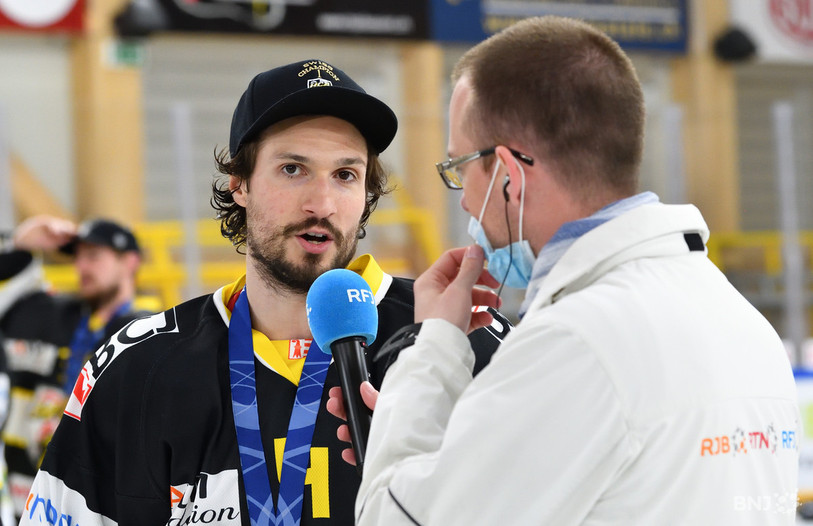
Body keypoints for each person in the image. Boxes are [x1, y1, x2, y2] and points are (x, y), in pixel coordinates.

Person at [336, 17, 801, 525]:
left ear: (509, 175)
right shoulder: (741, 321)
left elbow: (394, 517)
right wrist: (453, 443)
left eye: (459, 167)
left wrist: (431, 349)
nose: (466, 200)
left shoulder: (577, 343)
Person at [20, 59, 509, 526]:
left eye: (345, 175)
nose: (322, 204)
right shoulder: (138, 366)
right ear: (240, 184)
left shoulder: (458, 340)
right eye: (292, 169)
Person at [0, 216, 150, 519]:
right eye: (77, 257)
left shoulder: (149, 333)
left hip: (96, 507)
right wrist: (20, 243)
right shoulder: (45, 314)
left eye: (94, 256)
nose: (82, 266)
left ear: (129, 261)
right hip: (24, 500)